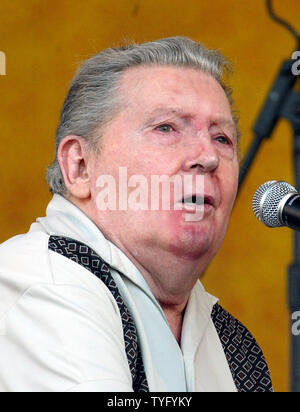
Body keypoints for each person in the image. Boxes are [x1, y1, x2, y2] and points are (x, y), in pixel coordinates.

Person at [0, 36, 273, 392]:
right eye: (166, 128)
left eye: (222, 138)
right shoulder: (43, 284)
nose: (207, 156)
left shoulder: (234, 343)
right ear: (80, 166)